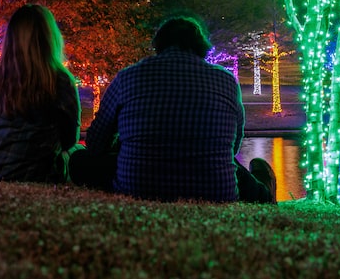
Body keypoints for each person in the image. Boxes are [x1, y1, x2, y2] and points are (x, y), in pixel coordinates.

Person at [69, 15, 276, 203]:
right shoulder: (226, 80)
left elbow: (96, 143)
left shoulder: (129, 76)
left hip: (137, 189)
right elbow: (233, 145)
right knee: (230, 166)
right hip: (216, 192)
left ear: (158, 45)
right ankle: (263, 191)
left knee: (78, 159)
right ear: (201, 46)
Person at [0, 4, 81, 183]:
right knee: (78, 153)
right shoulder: (59, 80)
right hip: (30, 175)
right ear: (50, 39)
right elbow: (70, 139)